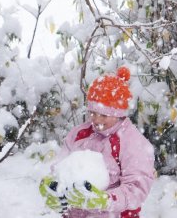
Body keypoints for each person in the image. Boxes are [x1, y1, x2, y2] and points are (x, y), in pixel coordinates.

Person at [39, 66, 155, 218]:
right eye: (93, 113)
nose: (96, 120)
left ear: (118, 113)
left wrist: (104, 200)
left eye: (104, 115)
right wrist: (52, 185)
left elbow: (136, 189)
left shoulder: (132, 143)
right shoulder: (79, 134)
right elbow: (62, 167)